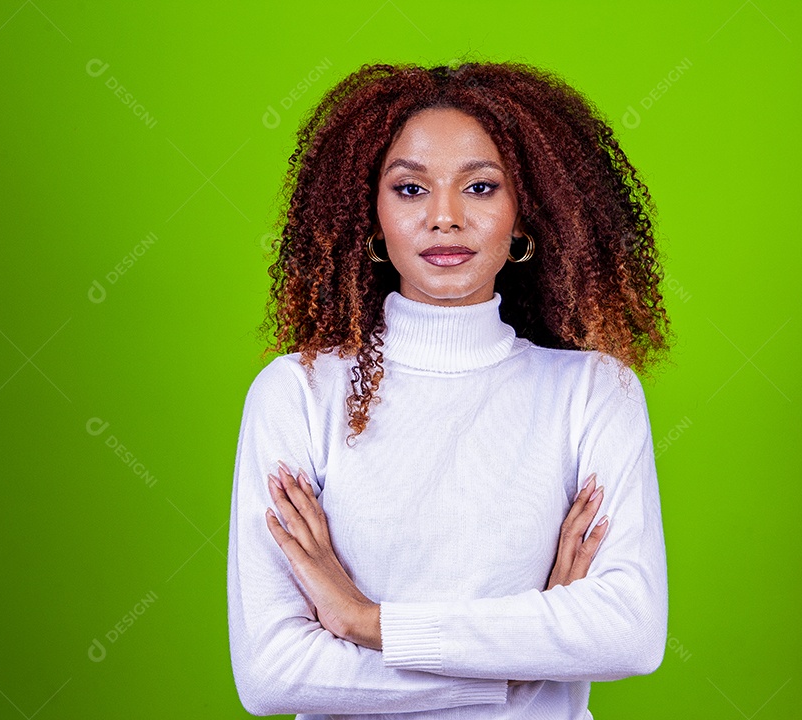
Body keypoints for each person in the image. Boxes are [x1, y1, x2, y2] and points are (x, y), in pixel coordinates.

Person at [227, 60, 671, 719]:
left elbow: (630, 634)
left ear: (525, 213)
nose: (444, 217)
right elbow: (272, 674)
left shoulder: (595, 393)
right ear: (370, 215)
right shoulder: (295, 394)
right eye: (410, 190)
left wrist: (365, 621)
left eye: (481, 187)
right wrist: (519, 670)